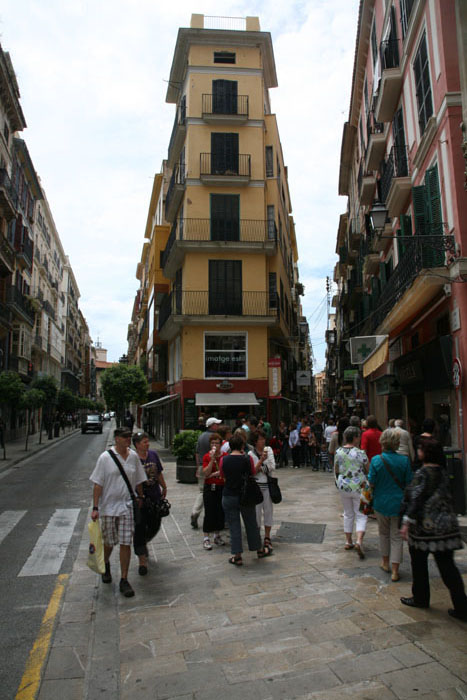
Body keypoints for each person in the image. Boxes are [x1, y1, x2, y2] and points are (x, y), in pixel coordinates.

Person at [399, 438, 467, 621]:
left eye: (420, 448)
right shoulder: (443, 472)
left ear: (426, 452)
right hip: (446, 526)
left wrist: (406, 522)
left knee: (419, 565)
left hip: (424, 527)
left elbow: (416, 498)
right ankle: (462, 606)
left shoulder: (423, 473)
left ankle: (421, 597)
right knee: (448, 568)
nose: (418, 450)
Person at [90, 427, 147, 598]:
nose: (127, 439)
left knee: (125, 542)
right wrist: (95, 507)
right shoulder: (105, 458)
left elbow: (138, 480)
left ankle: (124, 579)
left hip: (127, 506)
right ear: (116, 439)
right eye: (124, 437)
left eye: (129, 437)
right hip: (108, 507)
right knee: (109, 542)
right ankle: (106, 563)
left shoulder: (133, 457)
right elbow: (98, 484)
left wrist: (140, 497)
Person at [220, 433, 273, 565]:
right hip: (245, 495)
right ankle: (259, 549)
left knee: (234, 526)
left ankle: (237, 556)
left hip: (229, 494)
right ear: (242, 445)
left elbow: (223, 477)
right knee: (251, 523)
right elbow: (252, 473)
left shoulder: (224, 460)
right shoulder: (246, 459)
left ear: (230, 446)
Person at [368, 429, 412, 582]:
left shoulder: (376, 460)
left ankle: (385, 562)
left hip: (380, 503)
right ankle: (395, 570)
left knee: (383, 534)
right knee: (396, 537)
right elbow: (409, 483)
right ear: (396, 443)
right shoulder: (404, 461)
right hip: (399, 504)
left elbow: (371, 482)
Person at [131, 432, 167, 576]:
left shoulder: (153, 455)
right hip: (140, 500)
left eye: (147, 441)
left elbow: (158, 472)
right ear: (137, 444)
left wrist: (164, 487)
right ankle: (142, 560)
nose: (147, 444)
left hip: (154, 496)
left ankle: (143, 542)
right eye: (144, 442)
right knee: (139, 526)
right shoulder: (132, 458)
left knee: (155, 524)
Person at [334, 426, 368, 559]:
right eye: (358, 436)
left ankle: (348, 541)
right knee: (360, 514)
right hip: (359, 486)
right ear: (355, 438)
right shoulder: (360, 453)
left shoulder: (339, 452)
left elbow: (336, 468)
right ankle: (359, 540)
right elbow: (367, 468)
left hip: (344, 486)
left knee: (348, 513)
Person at [190, 417, 222, 529]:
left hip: (202, 466)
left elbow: (197, 452)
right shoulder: (215, 438)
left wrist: (198, 466)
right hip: (212, 467)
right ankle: (196, 513)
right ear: (212, 425)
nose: (218, 426)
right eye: (216, 424)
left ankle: (195, 513)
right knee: (205, 491)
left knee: (202, 490)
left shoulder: (201, 436)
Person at [249, 430, 276, 551]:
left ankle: (267, 537)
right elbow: (253, 470)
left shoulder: (268, 450)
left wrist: (260, 467)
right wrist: (262, 463)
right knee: (256, 513)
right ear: (255, 441)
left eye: (263, 439)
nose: (263, 441)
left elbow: (272, 466)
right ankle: (257, 537)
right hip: (256, 486)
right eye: (260, 439)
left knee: (268, 511)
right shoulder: (250, 453)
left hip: (268, 485)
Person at [201, 433, 225, 550]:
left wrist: (217, 473)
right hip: (210, 487)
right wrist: (212, 460)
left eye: (217, 443)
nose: (214, 445)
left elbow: (224, 471)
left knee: (220, 511)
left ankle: (217, 535)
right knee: (209, 511)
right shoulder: (206, 456)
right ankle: (206, 537)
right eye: (212, 443)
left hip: (221, 486)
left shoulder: (224, 456)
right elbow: (206, 473)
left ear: (221, 445)